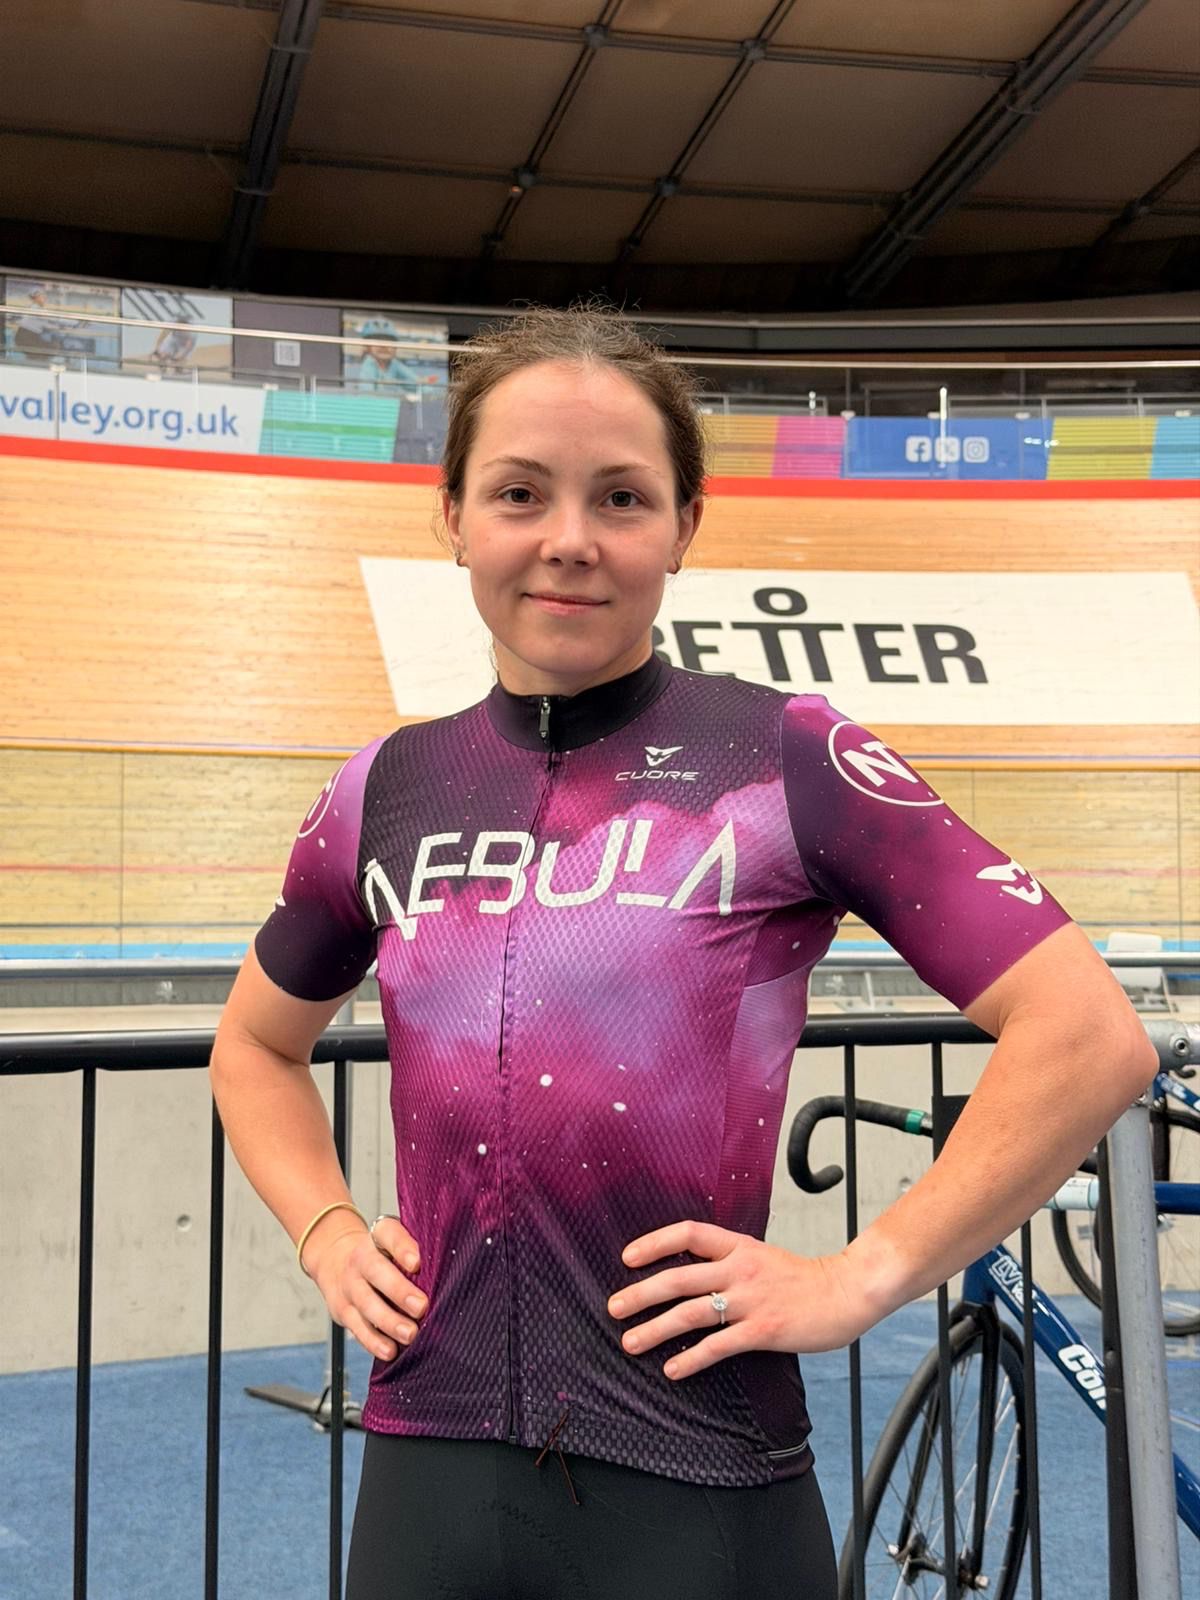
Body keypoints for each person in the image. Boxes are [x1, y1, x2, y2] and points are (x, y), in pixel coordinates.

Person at [209, 306, 1156, 1599]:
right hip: (426, 1464)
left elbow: (1087, 1033)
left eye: (621, 498)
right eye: (519, 493)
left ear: (684, 528)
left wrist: (863, 1276)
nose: (569, 541)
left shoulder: (785, 756)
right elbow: (257, 1044)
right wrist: (325, 1232)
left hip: (700, 1474)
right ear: (453, 517)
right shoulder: (387, 787)